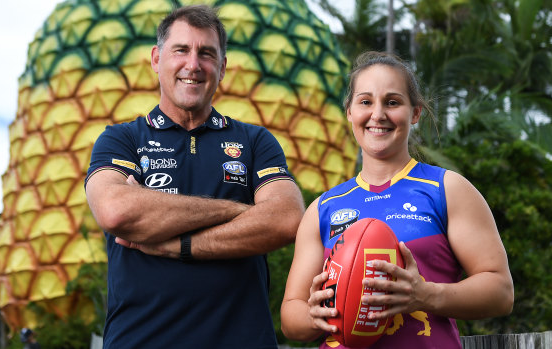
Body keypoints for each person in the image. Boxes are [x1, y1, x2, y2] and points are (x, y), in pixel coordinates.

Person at [85, 5, 305, 348]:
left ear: (222, 67)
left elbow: (286, 219)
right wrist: (240, 210)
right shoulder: (122, 139)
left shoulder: (254, 141)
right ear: (157, 59)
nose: (193, 64)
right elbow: (118, 211)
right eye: (181, 50)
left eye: (206, 53)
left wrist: (179, 245)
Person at [280, 51, 514, 348]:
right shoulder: (323, 208)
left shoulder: (446, 189)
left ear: (415, 112)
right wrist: (315, 315)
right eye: (365, 102)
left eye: (392, 102)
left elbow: (501, 292)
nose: (378, 114)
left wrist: (425, 295)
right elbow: (291, 315)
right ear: (350, 111)